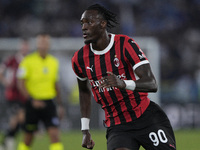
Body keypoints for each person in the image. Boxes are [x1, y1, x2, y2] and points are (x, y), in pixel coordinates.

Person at [71, 4, 176, 150]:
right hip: (118, 126)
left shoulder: (125, 44)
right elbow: (83, 91)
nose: (84, 27)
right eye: (82, 23)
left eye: (89, 22)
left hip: (147, 117)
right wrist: (85, 130)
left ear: (103, 24)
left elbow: (152, 83)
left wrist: (123, 83)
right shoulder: (80, 58)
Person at [16, 33, 64, 150]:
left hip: (49, 103)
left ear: (49, 45)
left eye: (45, 42)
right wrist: (32, 100)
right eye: (41, 42)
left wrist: (60, 104)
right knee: (28, 137)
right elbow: (20, 84)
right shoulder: (28, 61)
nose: (43, 45)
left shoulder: (54, 62)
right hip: (32, 103)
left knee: (54, 135)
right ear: (37, 44)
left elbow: (55, 84)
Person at [0, 38, 30, 150]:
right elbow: (1, 72)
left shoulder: (29, 60)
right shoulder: (12, 60)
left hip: (24, 95)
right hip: (13, 95)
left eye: (26, 46)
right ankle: (7, 142)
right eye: (23, 46)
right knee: (20, 118)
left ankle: (6, 142)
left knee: (16, 121)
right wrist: (6, 82)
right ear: (20, 47)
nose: (25, 48)